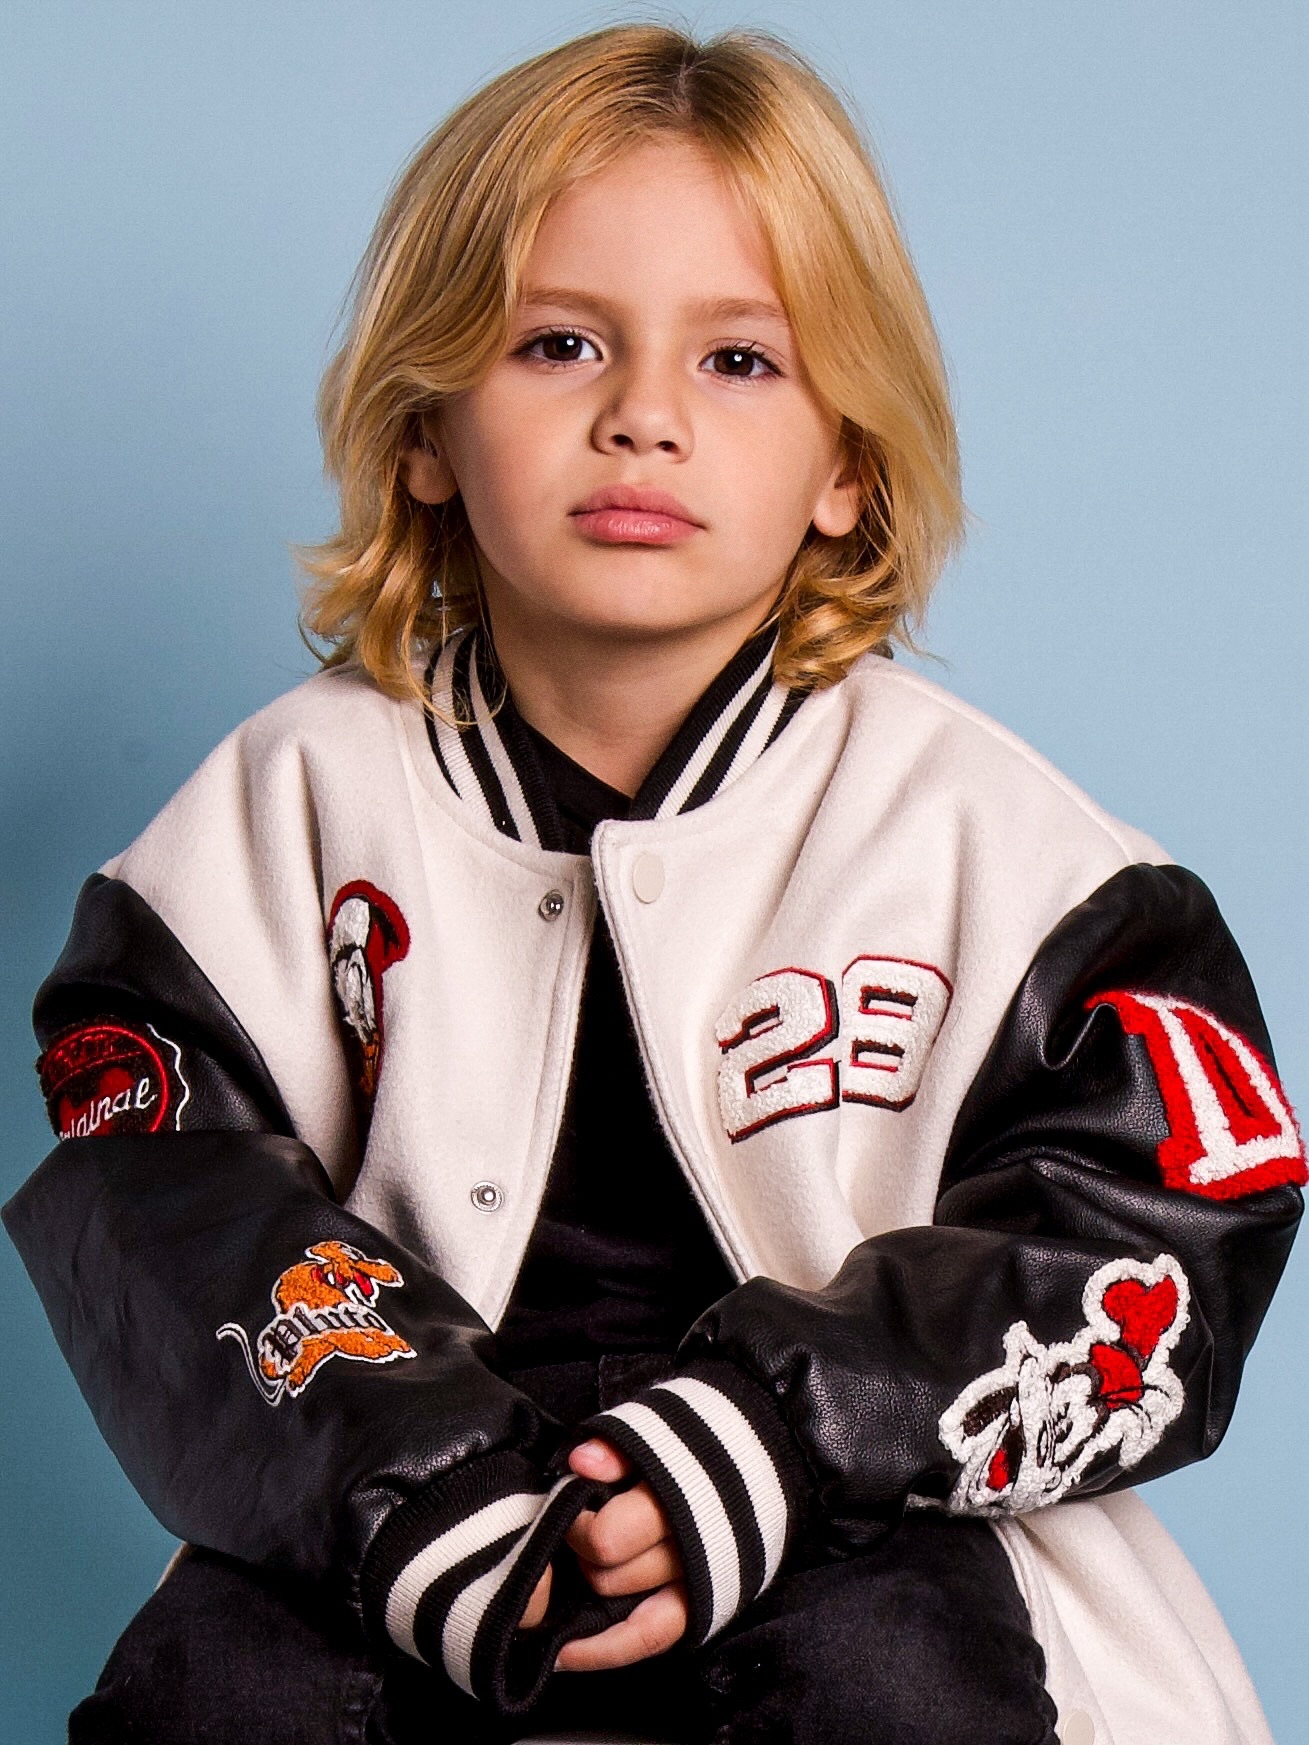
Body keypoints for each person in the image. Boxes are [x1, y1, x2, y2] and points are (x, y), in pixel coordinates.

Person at [5, 22, 1303, 1745]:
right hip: (403, 1504)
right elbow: (162, 1207)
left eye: (740, 360)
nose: (641, 417)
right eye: (558, 344)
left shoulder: (1005, 848)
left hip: (867, 1511)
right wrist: (413, 1485)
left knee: (902, 1691)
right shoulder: (281, 808)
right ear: (425, 430)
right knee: (218, 1694)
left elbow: (1156, 1232)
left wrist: (784, 1430)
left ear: (847, 465)